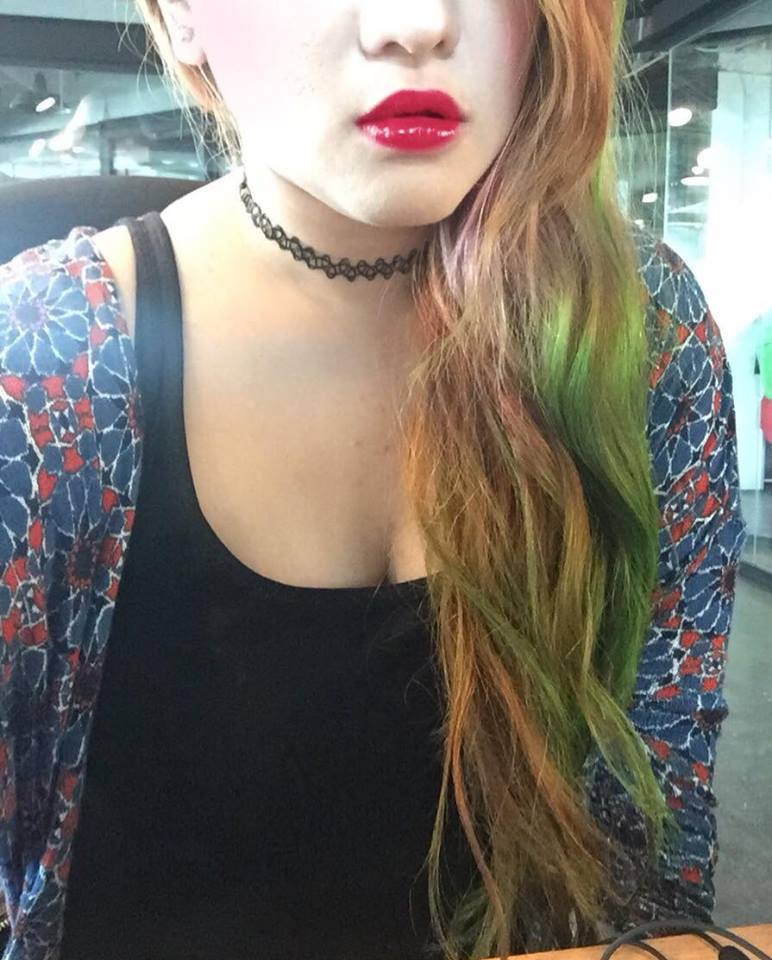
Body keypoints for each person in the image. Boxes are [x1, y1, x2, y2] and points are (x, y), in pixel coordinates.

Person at [0, 1, 749, 959]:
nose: (418, 24)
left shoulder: (636, 332)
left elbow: (653, 830)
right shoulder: (48, 371)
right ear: (181, 14)